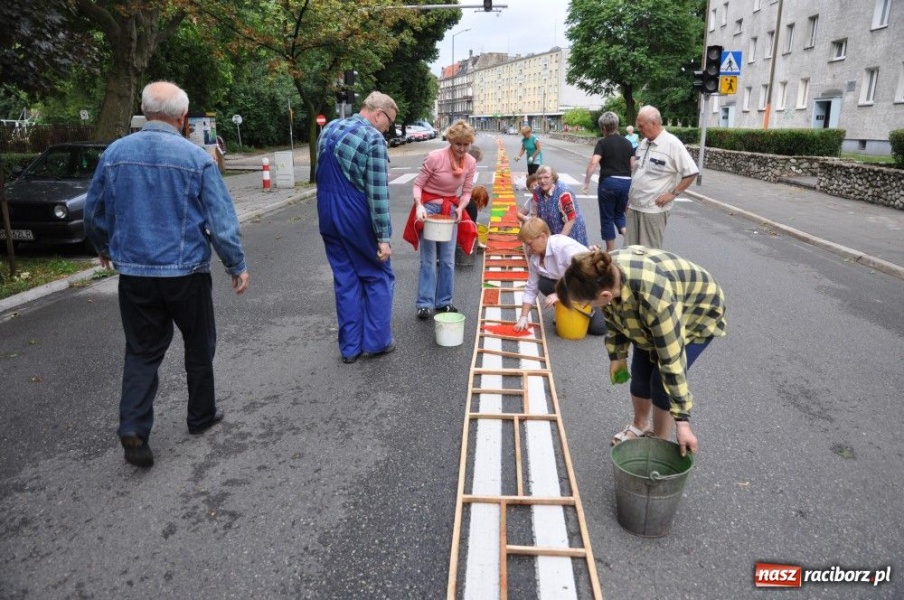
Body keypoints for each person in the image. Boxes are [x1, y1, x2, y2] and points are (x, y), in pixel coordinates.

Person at [84, 81, 250, 469]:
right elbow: (220, 222)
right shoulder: (196, 158)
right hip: (186, 273)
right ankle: (201, 415)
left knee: (142, 350)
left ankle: (134, 427)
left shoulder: (115, 154)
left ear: (144, 112)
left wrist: (105, 247)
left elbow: (94, 212)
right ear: (182, 117)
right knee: (198, 343)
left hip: (136, 275)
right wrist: (236, 265)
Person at [556, 246, 726, 456]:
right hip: (656, 302)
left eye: (585, 303)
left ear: (605, 294)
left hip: (697, 312)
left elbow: (672, 363)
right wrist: (617, 356)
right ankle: (640, 425)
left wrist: (683, 422)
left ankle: (658, 443)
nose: (586, 306)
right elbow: (614, 318)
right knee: (640, 372)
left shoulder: (653, 299)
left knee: (660, 379)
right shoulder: (603, 275)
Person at [316, 91, 399, 364]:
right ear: (378, 113)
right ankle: (376, 342)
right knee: (377, 275)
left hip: (326, 213)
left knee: (345, 278)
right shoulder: (373, 139)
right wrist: (383, 237)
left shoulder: (329, 128)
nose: (388, 128)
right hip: (354, 215)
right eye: (389, 122)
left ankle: (350, 349)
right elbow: (377, 194)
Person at [409, 119, 477, 320]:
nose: (462, 149)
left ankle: (444, 302)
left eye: (466, 145)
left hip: (451, 209)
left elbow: (466, 191)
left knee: (447, 260)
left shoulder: (470, 162)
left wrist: (461, 208)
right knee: (429, 259)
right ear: (450, 141)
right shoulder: (434, 157)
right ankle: (424, 303)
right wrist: (419, 205)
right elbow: (417, 185)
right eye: (458, 144)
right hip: (429, 208)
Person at [513, 218, 606, 336]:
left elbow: (584, 277)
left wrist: (558, 294)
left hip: (589, 284)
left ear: (542, 237)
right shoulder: (535, 259)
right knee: (543, 283)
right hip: (569, 284)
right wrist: (523, 317)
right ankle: (568, 306)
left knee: (598, 328)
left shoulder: (563, 248)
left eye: (529, 244)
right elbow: (531, 287)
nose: (527, 248)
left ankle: (603, 307)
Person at [626, 105, 699, 249]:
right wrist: (630, 199)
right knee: (630, 252)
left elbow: (691, 172)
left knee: (649, 254)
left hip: (653, 210)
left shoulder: (672, 144)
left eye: (641, 126)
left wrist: (673, 194)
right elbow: (638, 173)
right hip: (634, 207)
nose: (638, 129)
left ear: (653, 123)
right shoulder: (643, 143)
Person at [583, 111, 636, 252]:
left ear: (604, 128)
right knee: (619, 215)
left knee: (607, 218)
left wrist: (586, 183)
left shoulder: (602, 143)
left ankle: (610, 252)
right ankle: (632, 245)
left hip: (608, 183)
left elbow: (593, 163)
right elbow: (633, 166)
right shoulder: (627, 143)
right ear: (617, 125)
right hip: (626, 182)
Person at [517, 165, 589, 246]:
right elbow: (536, 212)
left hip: (570, 232)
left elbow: (570, 219)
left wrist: (560, 240)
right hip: (553, 231)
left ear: (553, 178)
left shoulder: (563, 192)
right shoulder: (538, 191)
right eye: (539, 178)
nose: (542, 181)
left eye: (546, 177)